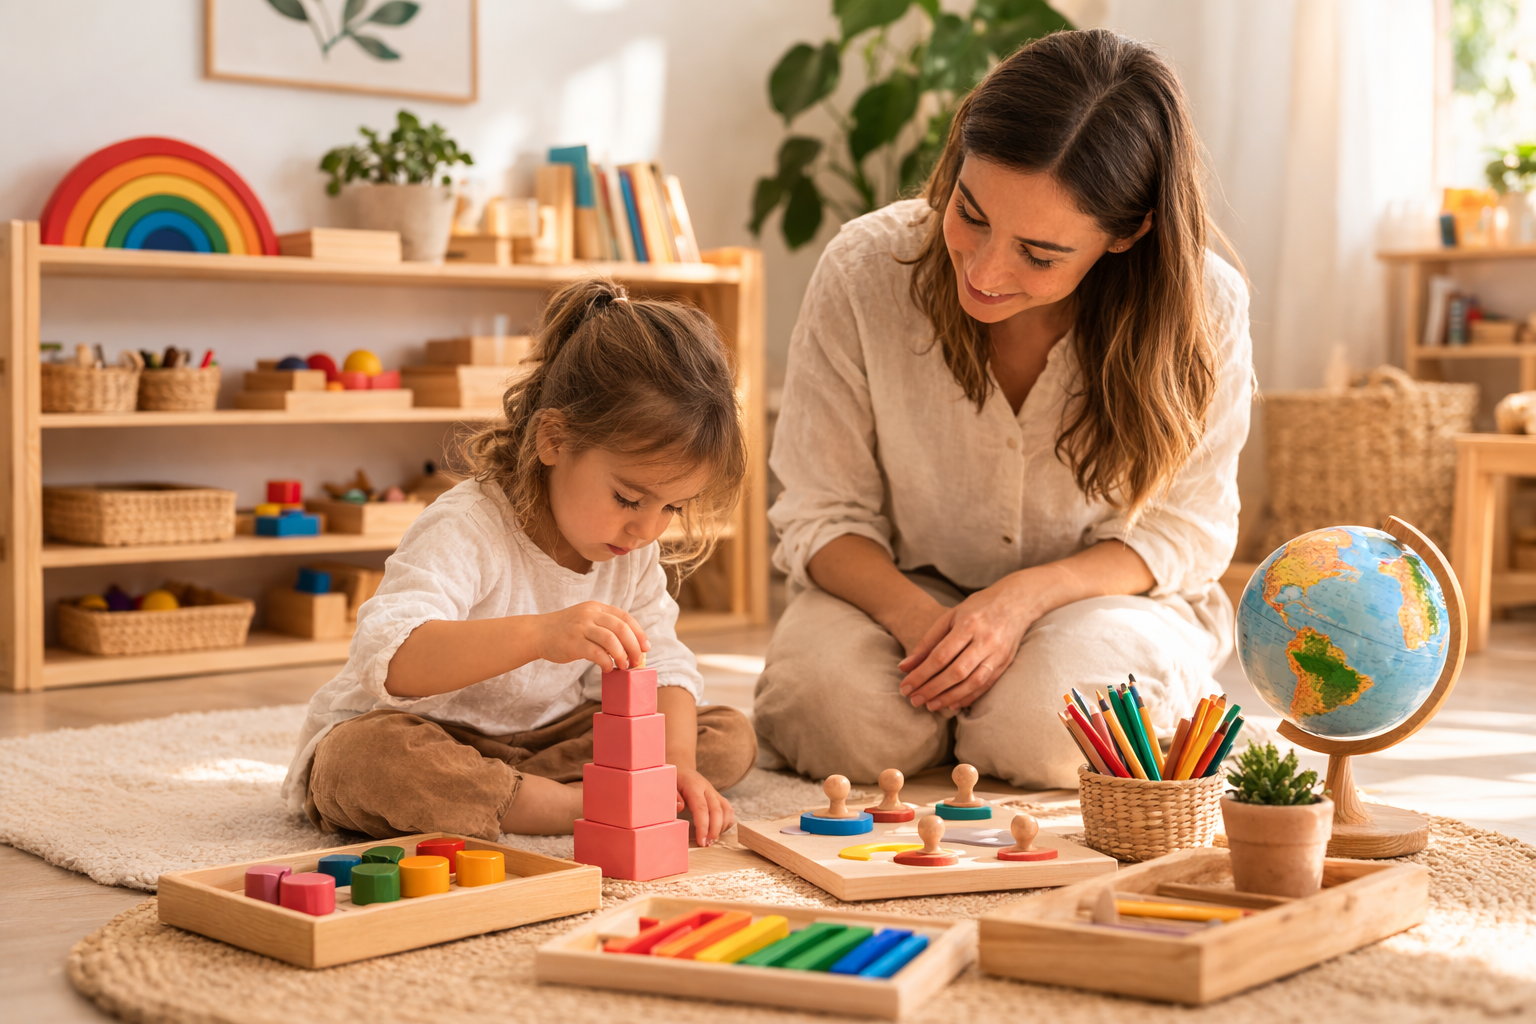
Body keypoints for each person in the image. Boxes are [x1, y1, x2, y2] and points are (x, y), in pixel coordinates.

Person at [756, 29, 1253, 789]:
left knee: (1050, 732)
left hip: (1098, 602)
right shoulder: (864, 269)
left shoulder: (1204, 307)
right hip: (895, 585)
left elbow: (1185, 532)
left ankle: (992, 719)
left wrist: (1020, 602)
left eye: (1040, 253)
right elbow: (821, 513)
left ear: (1128, 232)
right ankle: (948, 716)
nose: (985, 270)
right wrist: (927, 627)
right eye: (971, 212)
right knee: (838, 722)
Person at [281, 278, 756, 846]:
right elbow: (391, 657)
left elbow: (667, 665)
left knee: (727, 735)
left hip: (546, 741)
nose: (646, 528)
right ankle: (574, 806)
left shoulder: (631, 550)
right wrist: (541, 634)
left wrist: (676, 763)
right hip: (429, 732)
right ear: (553, 439)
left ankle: (549, 795)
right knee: (364, 763)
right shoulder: (467, 526)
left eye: (672, 507)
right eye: (629, 498)